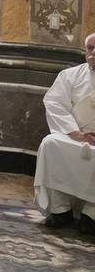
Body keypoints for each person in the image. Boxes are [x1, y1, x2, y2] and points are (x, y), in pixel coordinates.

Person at [34, 32, 95, 233]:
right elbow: (54, 103)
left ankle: (91, 214)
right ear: (85, 51)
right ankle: (60, 210)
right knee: (50, 144)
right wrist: (75, 132)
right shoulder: (70, 76)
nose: (93, 53)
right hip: (74, 136)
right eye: (90, 48)